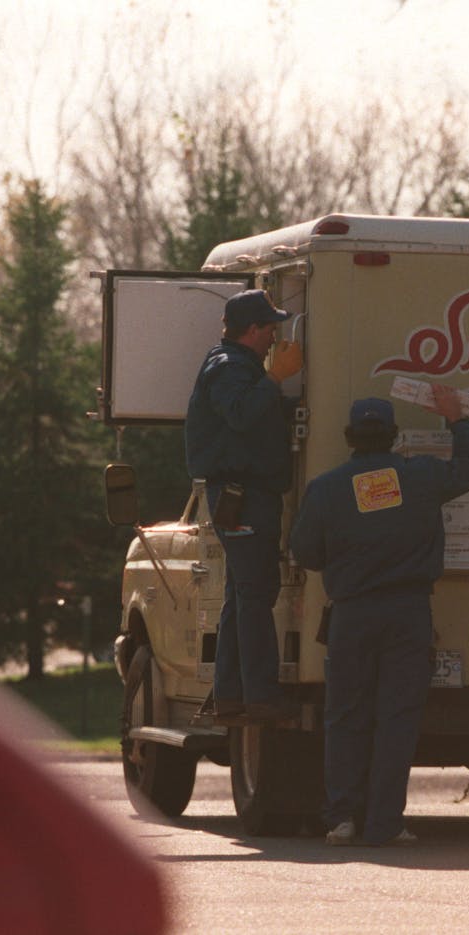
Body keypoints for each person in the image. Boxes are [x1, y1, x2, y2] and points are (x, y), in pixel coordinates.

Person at [289, 391, 469, 846]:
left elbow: (304, 551)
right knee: (397, 717)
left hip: (352, 613)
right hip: (407, 612)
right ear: (394, 436)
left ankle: (342, 817)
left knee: (345, 716)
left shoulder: (327, 488)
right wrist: (457, 420)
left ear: (351, 438)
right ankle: (385, 823)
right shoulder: (419, 477)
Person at [184, 289, 303, 722]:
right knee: (255, 595)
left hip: (245, 495)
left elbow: (254, 413)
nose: (274, 337)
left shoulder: (236, 365)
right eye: (270, 328)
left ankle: (231, 693)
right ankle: (260, 697)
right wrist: (275, 379)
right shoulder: (229, 366)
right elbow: (240, 413)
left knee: (242, 594)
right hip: (243, 496)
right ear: (252, 330)